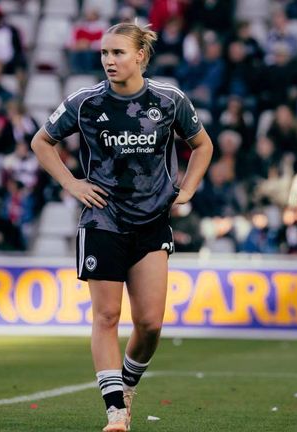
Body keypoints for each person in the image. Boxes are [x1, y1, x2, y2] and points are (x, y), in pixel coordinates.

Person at [31, 21, 213, 432]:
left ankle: (127, 383)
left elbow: (203, 145)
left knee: (150, 324)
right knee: (107, 316)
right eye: (104, 53)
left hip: (152, 222)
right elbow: (41, 142)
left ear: (140, 57)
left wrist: (188, 189)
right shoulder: (85, 102)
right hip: (103, 219)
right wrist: (70, 183)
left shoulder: (169, 100)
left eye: (117, 53)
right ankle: (115, 410)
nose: (109, 61)